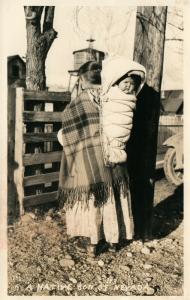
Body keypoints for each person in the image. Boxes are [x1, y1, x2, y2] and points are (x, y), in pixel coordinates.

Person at [57, 59, 138, 257]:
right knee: (114, 197)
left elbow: (68, 132)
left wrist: (62, 137)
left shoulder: (80, 102)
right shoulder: (114, 95)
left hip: (90, 161)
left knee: (95, 198)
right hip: (115, 158)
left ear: (83, 81)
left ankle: (93, 243)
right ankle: (113, 240)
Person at [100, 55, 146, 167]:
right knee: (112, 134)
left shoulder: (131, 98)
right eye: (126, 82)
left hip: (124, 121)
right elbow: (105, 102)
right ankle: (112, 154)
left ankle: (115, 153)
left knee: (121, 135)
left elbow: (129, 112)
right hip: (112, 120)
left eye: (132, 84)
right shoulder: (112, 92)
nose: (128, 86)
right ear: (117, 82)